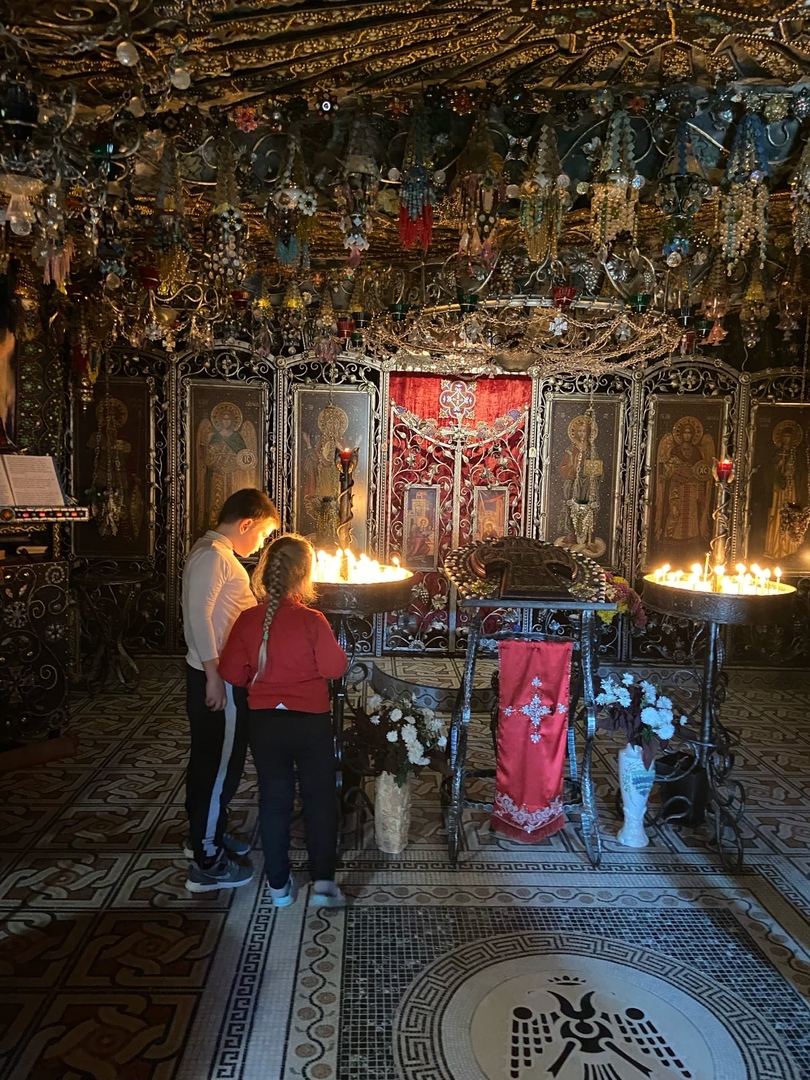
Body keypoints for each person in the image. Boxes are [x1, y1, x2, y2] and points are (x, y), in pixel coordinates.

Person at [218, 534, 349, 908]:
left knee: (274, 798)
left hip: (265, 724)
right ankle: (323, 884)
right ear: (304, 575)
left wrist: (257, 678)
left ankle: (279, 887)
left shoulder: (248, 620)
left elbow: (231, 672)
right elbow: (334, 668)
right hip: (310, 721)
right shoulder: (312, 620)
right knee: (319, 797)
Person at [182, 487, 279, 893]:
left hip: (217, 673)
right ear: (246, 524)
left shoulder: (213, 552)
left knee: (209, 761)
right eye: (262, 534)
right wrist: (214, 676)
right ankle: (207, 860)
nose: (260, 544)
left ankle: (206, 835)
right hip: (218, 677)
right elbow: (199, 618)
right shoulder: (214, 557)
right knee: (220, 766)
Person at [654, 416, 714, 560]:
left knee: (691, 515)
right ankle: (669, 541)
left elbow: (702, 470)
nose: (687, 435)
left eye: (690, 433)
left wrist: (695, 476)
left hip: (691, 488)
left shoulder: (697, 451)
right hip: (677, 488)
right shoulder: (674, 450)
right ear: (681, 435)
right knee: (675, 513)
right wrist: (672, 469)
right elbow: (666, 471)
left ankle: (690, 544)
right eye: (685, 433)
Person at [764, 419, 808, 559]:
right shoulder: (777, 454)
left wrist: (792, 472)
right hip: (778, 490)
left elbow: (802, 472)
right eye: (784, 436)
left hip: (791, 488)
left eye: (789, 436)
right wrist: (778, 467)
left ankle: (790, 547)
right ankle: (774, 547)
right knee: (776, 512)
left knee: (791, 513)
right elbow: (769, 470)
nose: (786, 439)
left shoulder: (796, 456)